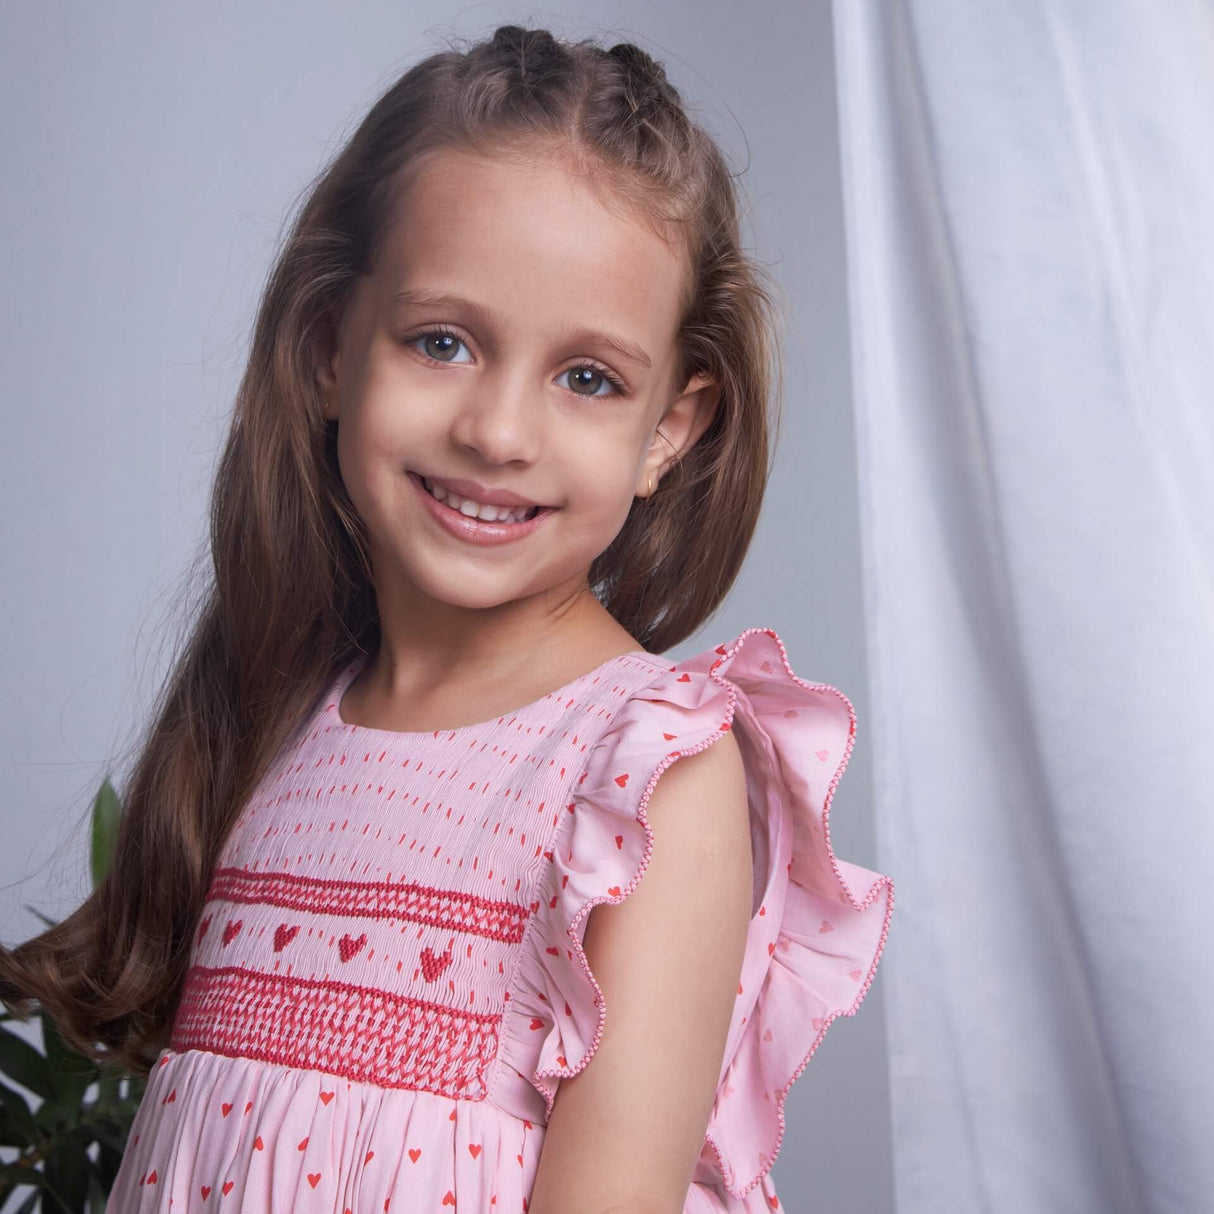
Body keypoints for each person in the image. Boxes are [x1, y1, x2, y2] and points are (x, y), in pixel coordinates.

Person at [0, 23, 894, 1213]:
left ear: (668, 431)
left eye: (587, 377)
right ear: (329, 348)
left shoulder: (647, 778)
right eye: (442, 341)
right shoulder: (274, 714)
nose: (496, 431)